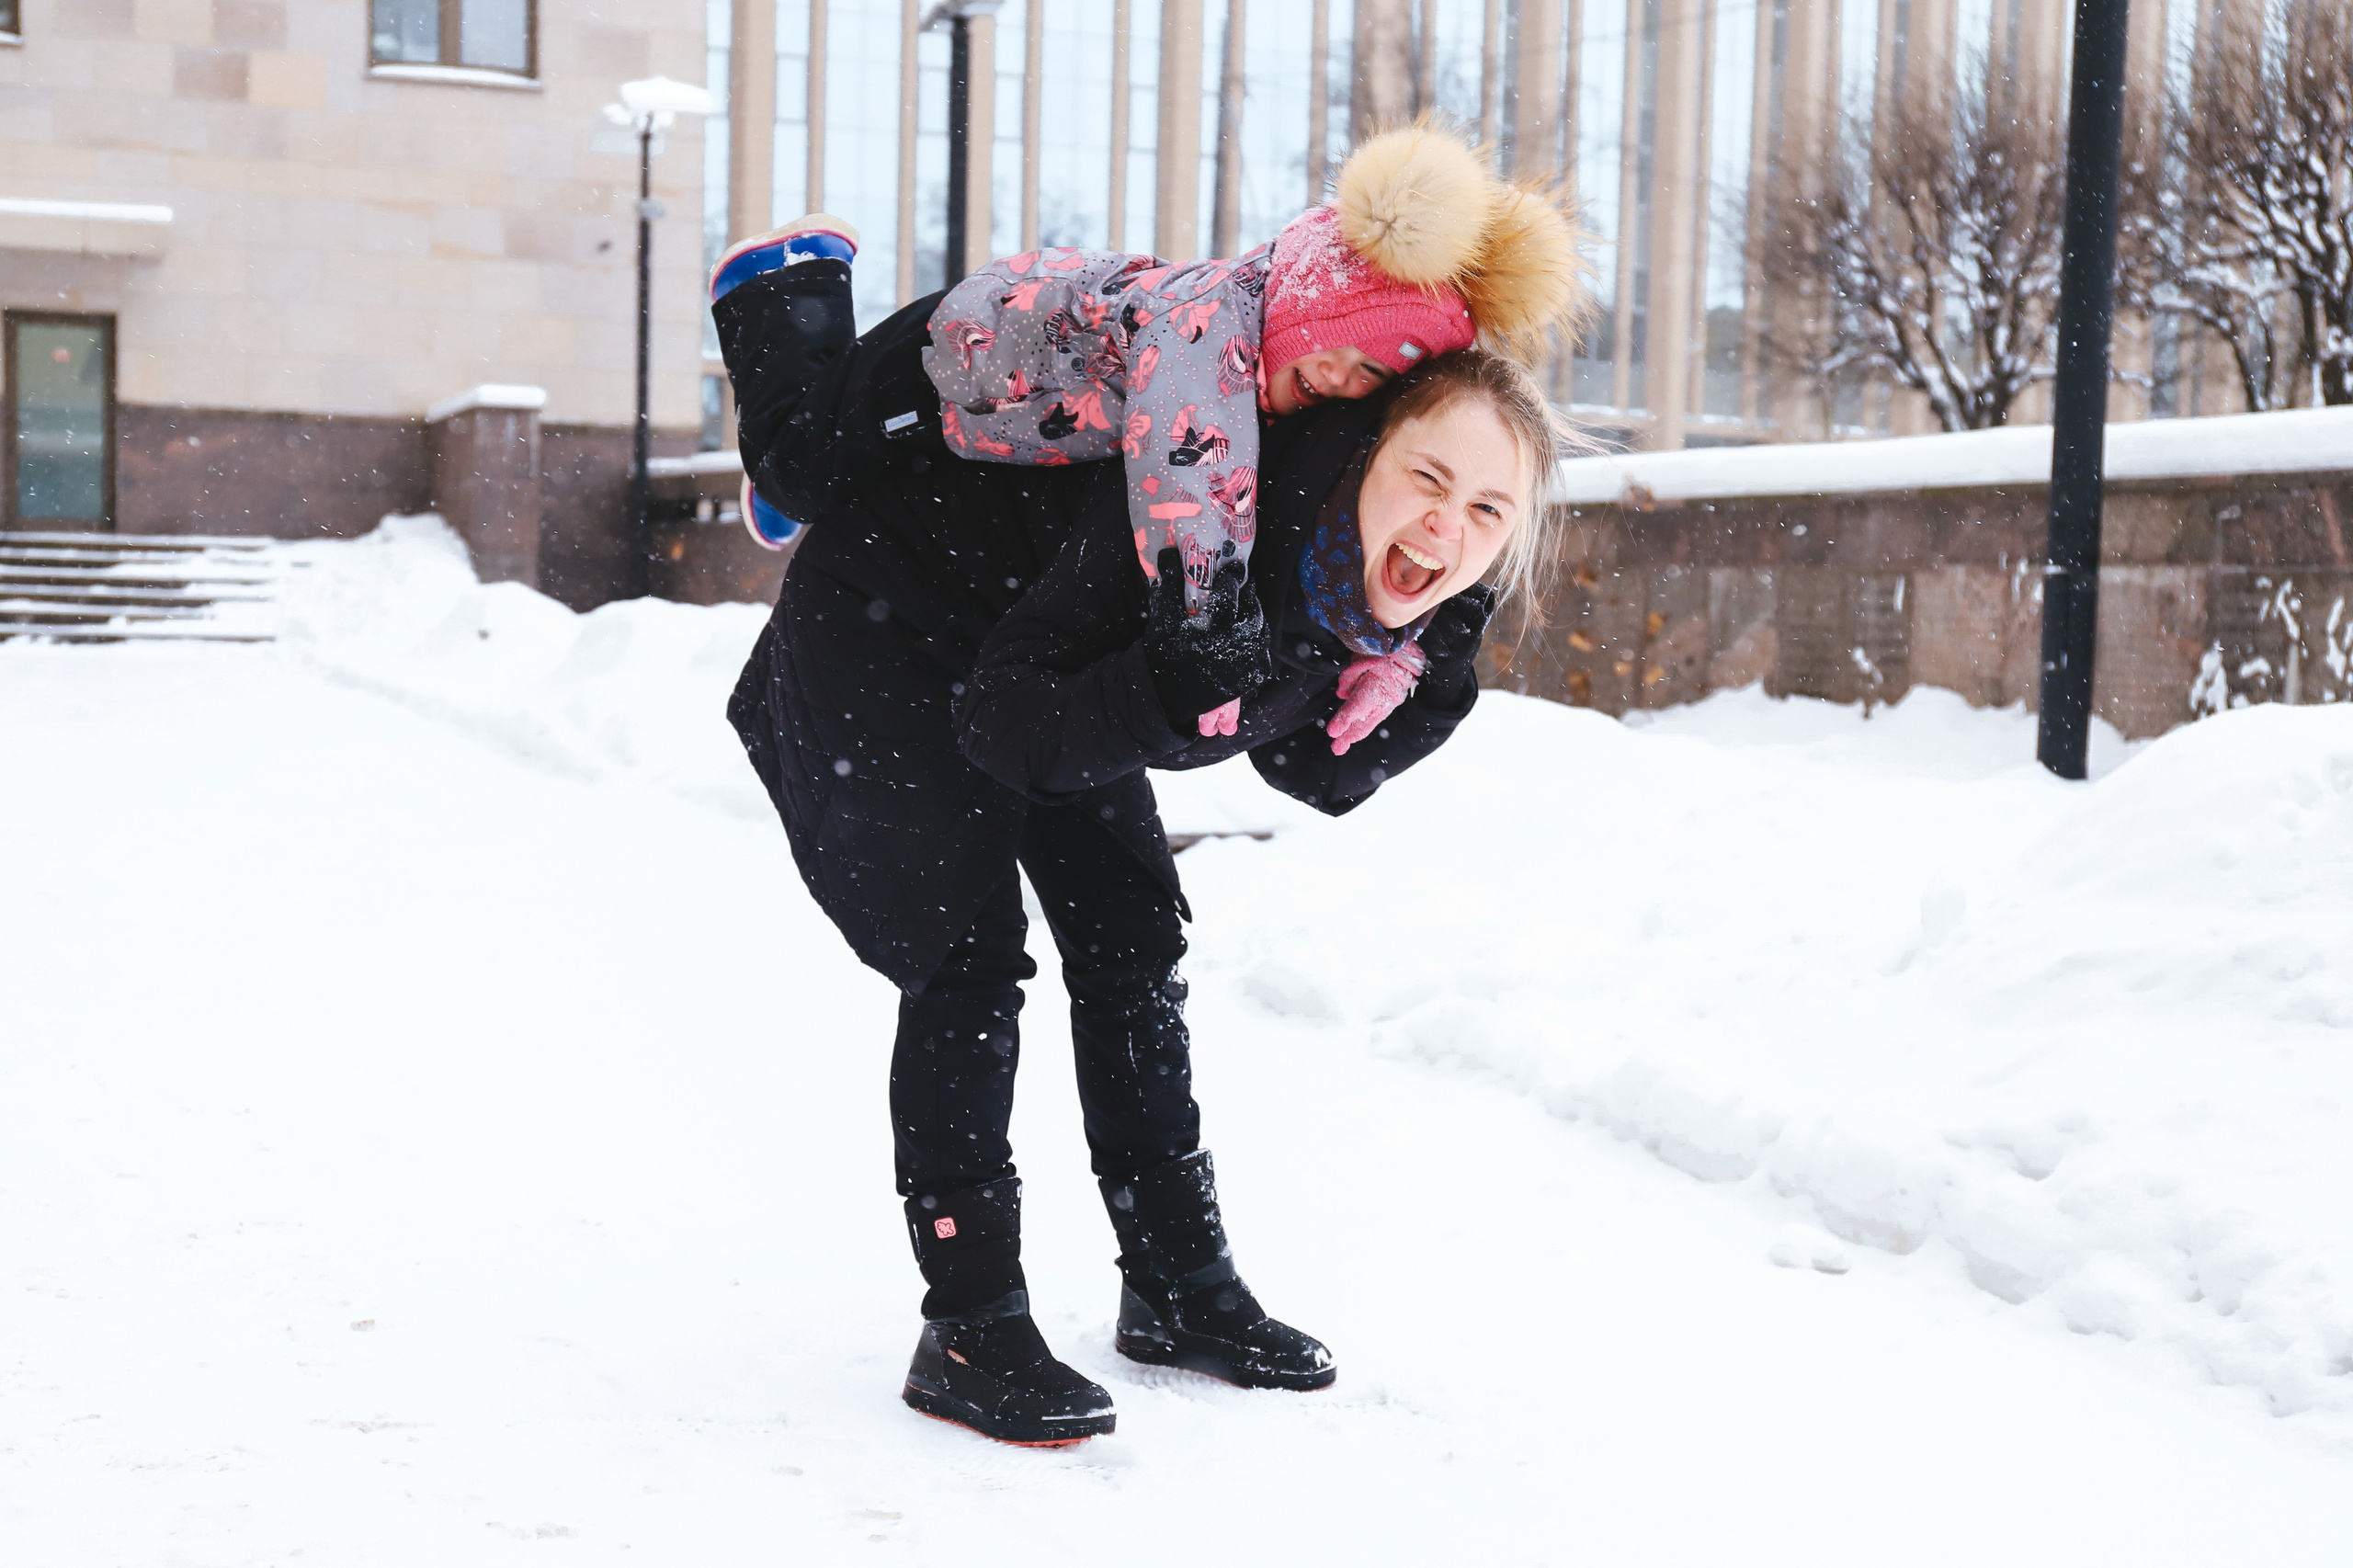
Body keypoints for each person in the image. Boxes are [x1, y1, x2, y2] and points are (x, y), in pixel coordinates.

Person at [718, 209, 1579, 1441]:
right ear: (1362, 454)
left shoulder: (1385, 584)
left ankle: (1178, 1283)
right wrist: (1184, 694)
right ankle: (970, 1317)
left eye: (1489, 512)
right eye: (1429, 481)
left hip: (1044, 638)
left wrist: (1427, 670)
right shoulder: (1208, 521)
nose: (1449, 529)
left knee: (1130, 938)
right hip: (898, 612)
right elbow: (1018, 726)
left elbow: (1308, 766)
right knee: (966, 960)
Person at [710, 119, 1586, 743]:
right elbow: (1190, 484)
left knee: (836, 469)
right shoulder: (1206, 335)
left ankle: (810, 458)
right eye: (1342, 355)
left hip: (1012, 422)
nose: (1341, 386)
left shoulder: (1271, 363)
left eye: (1372, 384)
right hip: (961, 364)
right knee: (796, 459)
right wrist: (1205, 625)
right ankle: (790, 283)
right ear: (1307, 311)